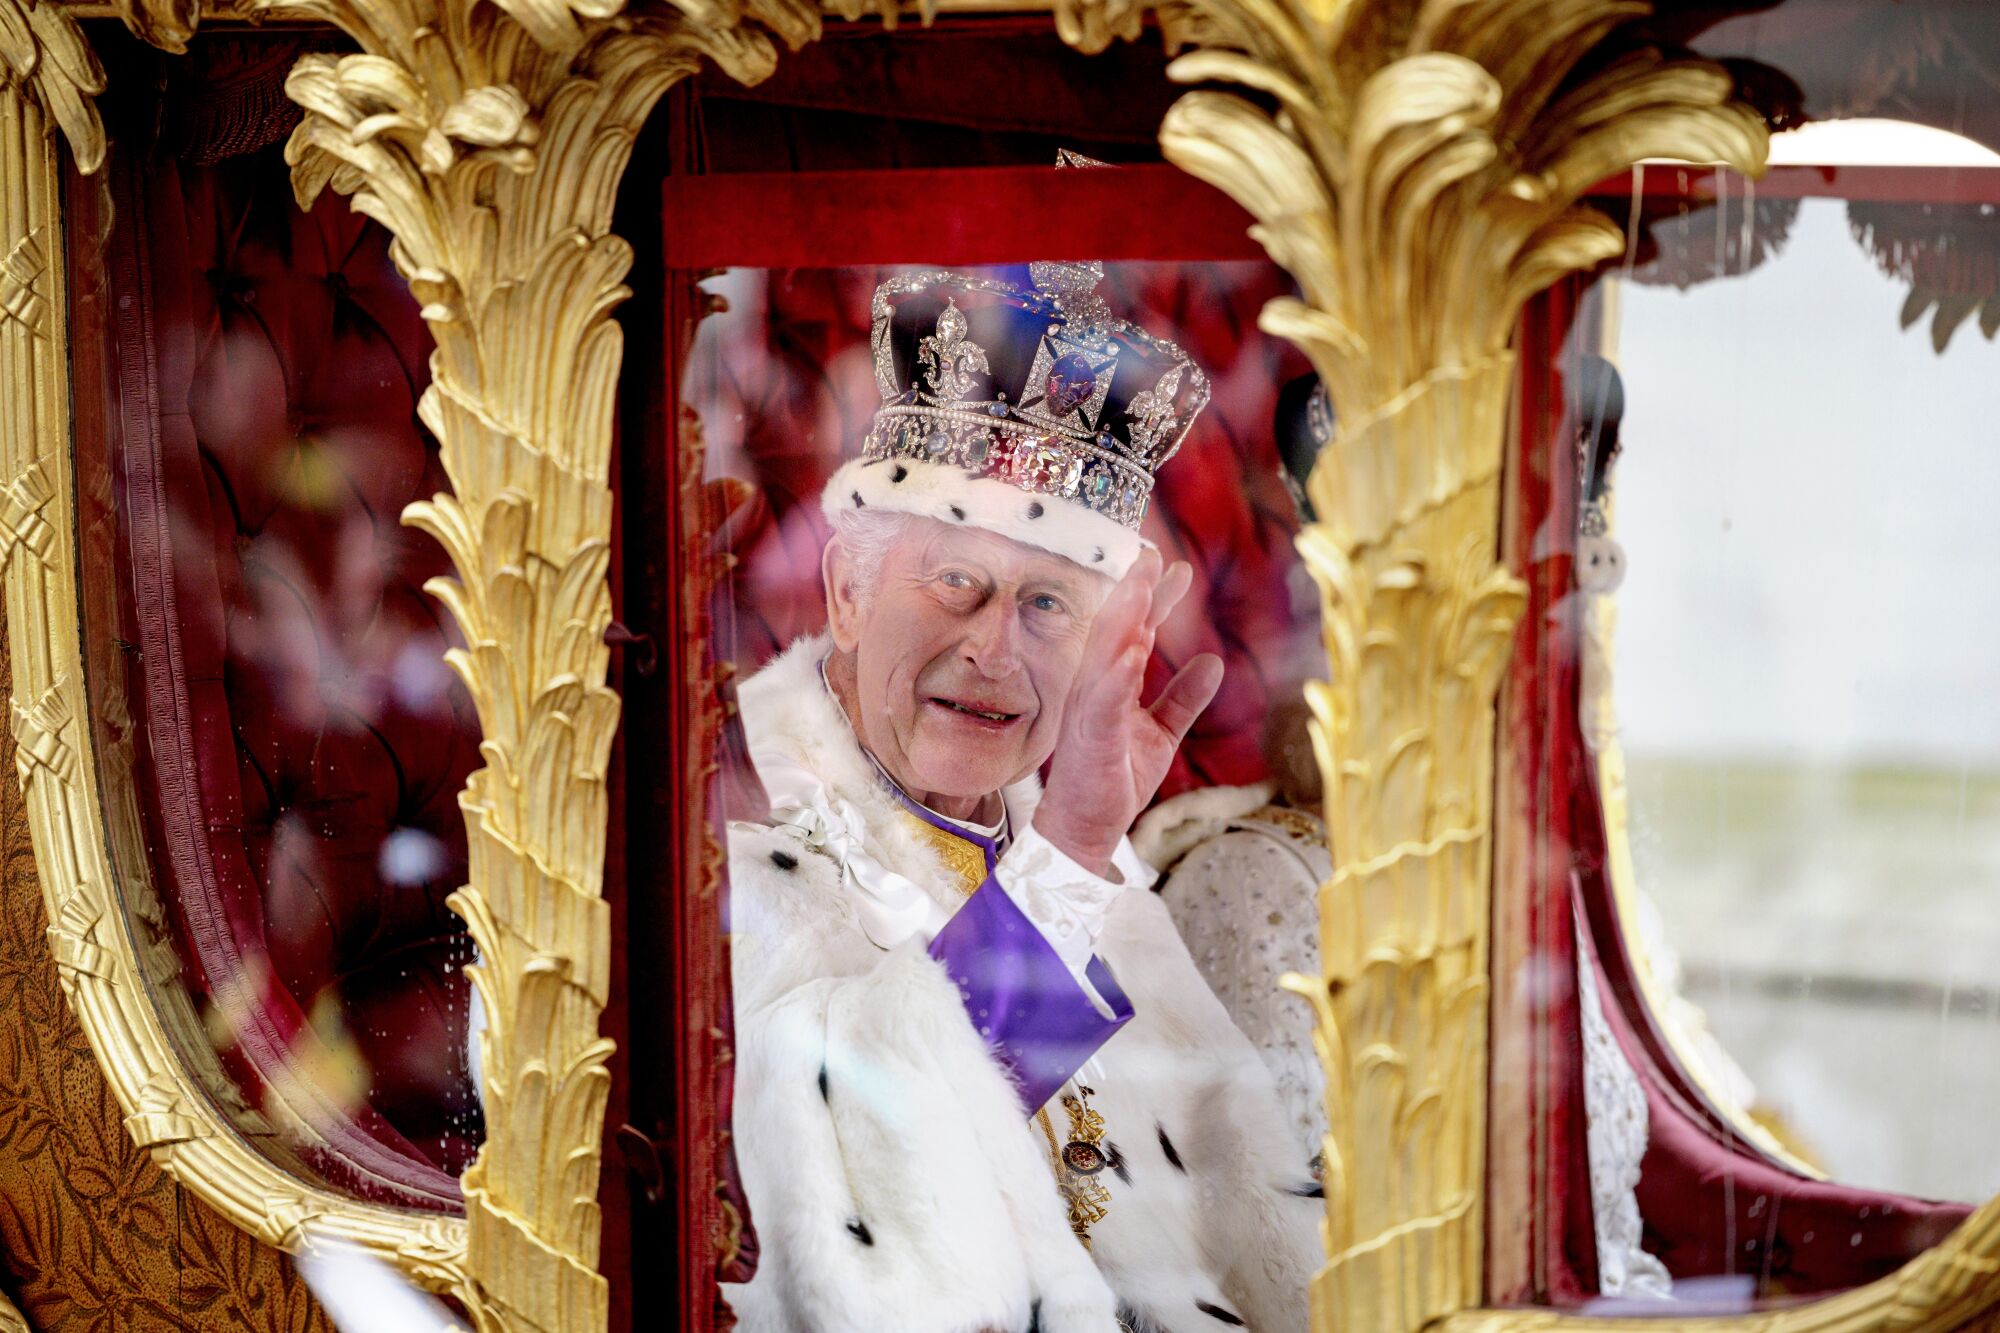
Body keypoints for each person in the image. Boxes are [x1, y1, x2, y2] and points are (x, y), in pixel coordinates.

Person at [722, 263, 1321, 1333]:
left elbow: (1265, 1256)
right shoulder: (736, 845)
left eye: (1048, 602)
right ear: (847, 593)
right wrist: (1069, 853)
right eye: (955, 582)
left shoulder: (1094, 879)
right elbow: (853, 1222)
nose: (993, 649)